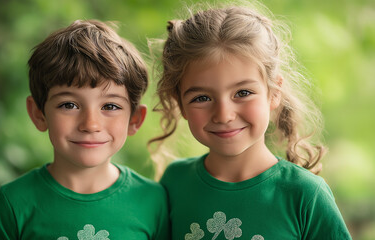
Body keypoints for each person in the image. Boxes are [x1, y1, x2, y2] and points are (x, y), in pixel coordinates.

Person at [150, 2, 352, 239]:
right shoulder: (174, 182)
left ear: (274, 92)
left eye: (243, 93)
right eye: (202, 97)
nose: (224, 115)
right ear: (180, 103)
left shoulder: (305, 194)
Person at [0, 19, 169, 240]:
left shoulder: (153, 200)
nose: (90, 124)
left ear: (134, 120)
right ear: (38, 114)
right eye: (69, 105)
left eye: (110, 106)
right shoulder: (13, 202)